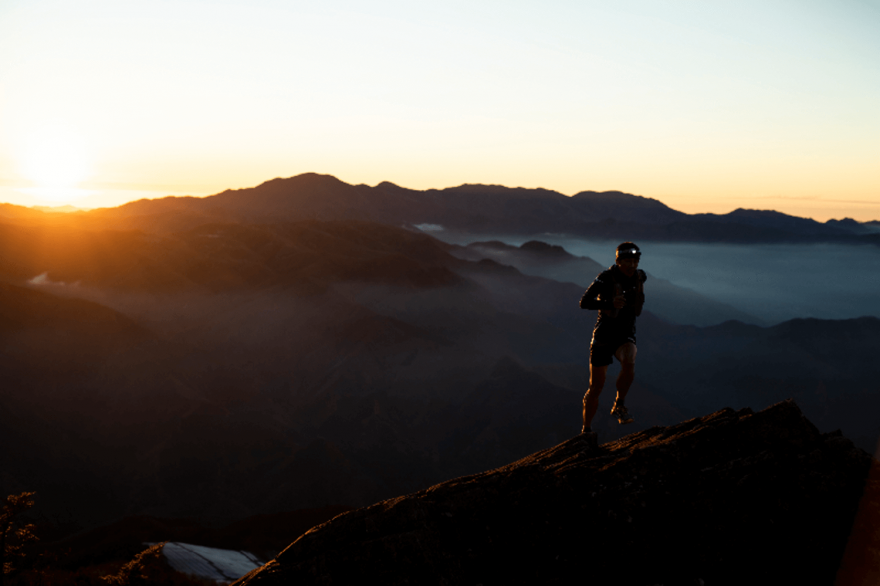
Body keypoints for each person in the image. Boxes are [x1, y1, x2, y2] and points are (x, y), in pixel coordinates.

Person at [579, 242, 646, 437]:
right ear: (618, 261)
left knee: (630, 360)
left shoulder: (640, 277)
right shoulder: (605, 278)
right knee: (596, 386)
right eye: (627, 261)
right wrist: (609, 303)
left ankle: (620, 404)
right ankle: (586, 430)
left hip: (625, 335)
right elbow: (585, 302)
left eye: (635, 261)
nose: (631, 265)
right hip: (603, 336)